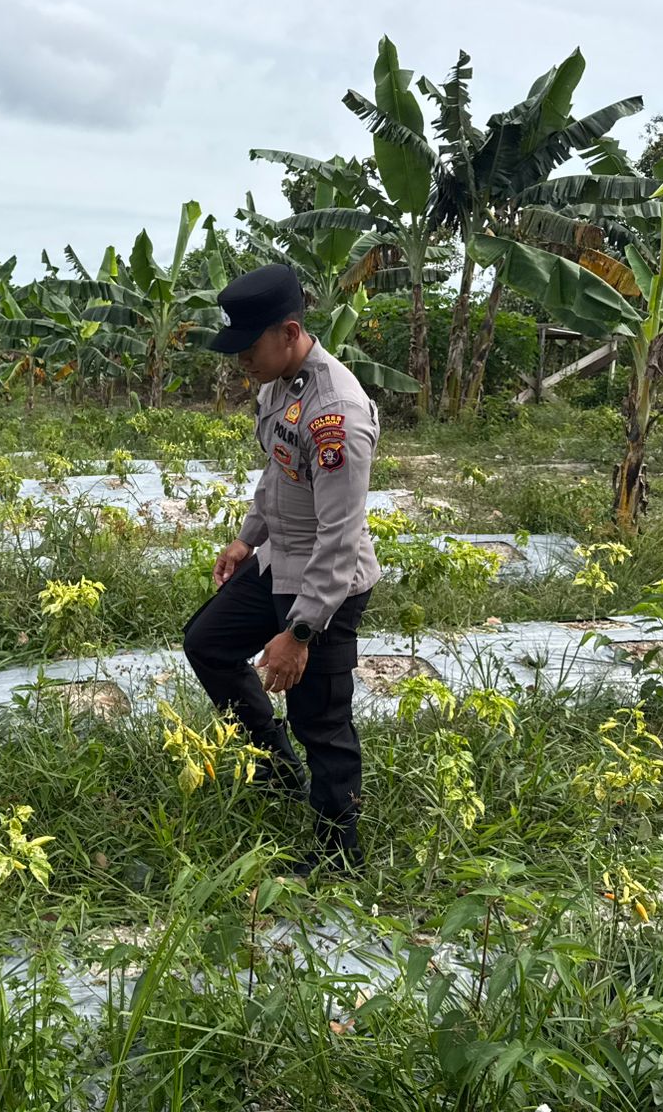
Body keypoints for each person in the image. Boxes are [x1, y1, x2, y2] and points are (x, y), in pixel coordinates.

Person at [181, 262, 381, 876]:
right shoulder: (278, 387)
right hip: (277, 559)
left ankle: (338, 858)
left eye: (249, 347)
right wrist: (248, 539)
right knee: (207, 643)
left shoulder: (336, 416)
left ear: (289, 331)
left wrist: (299, 634)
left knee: (320, 719)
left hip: (326, 583)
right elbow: (278, 472)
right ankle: (276, 769)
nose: (241, 360)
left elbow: (340, 540)